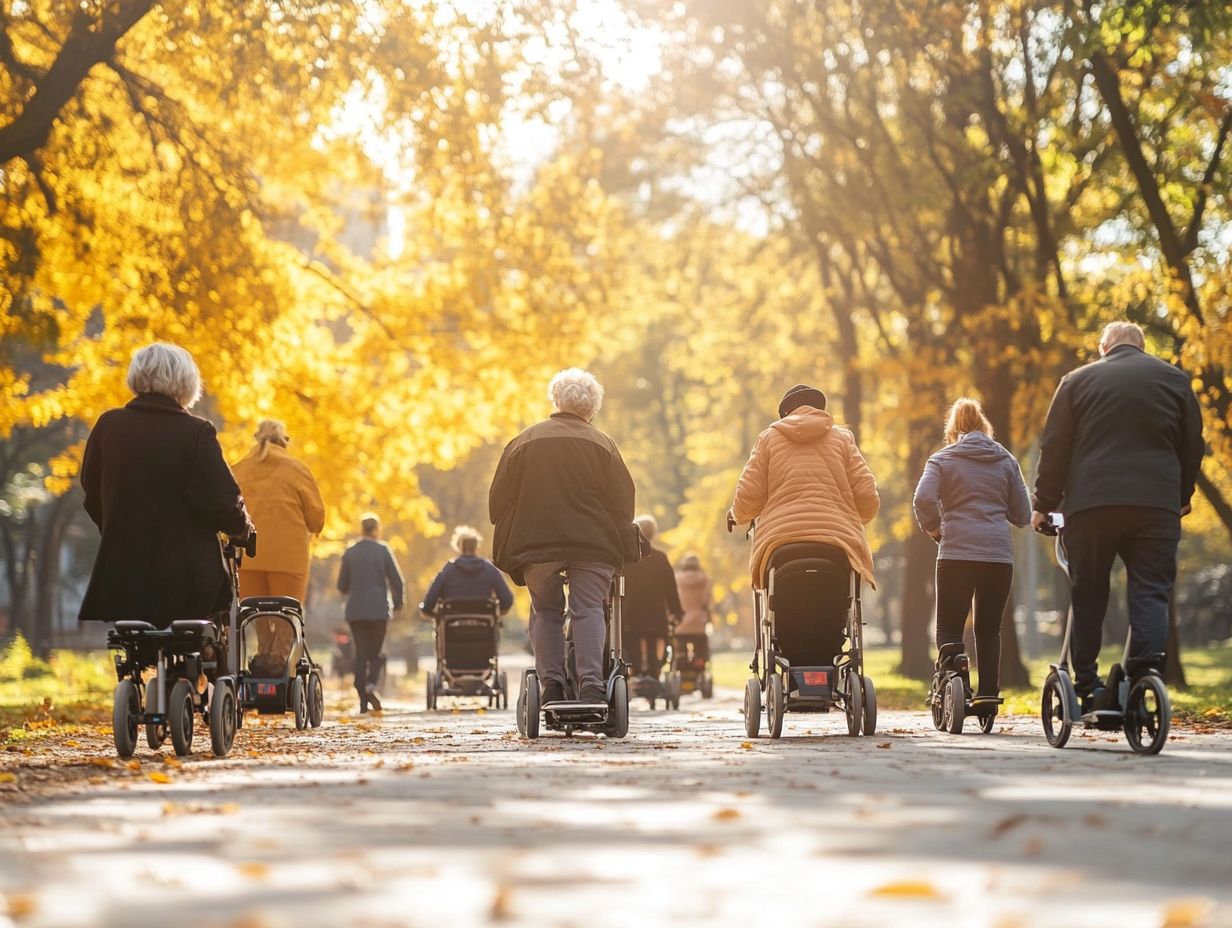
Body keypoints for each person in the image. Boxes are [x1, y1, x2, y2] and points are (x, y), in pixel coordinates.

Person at [1032, 321, 1204, 708]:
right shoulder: (1175, 380)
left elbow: (1055, 446)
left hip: (1092, 504)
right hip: (1155, 504)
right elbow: (1192, 443)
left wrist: (1044, 504)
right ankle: (1144, 671)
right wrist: (1181, 496)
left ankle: (1088, 683)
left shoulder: (1077, 381)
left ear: (1103, 347)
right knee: (1151, 589)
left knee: (1088, 588)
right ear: (1142, 347)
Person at [79, 343, 252, 633]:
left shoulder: (108, 426)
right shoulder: (196, 432)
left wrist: (117, 526)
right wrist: (242, 528)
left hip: (124, 574)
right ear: (187, 381)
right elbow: (224, 503)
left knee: (134, 646)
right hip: (186, 580)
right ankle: (205, 667)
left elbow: (92, 494)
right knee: (209, 626)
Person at [489, 368, 635, 707]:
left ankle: (551, 685)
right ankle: (592, 686)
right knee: (588, 610)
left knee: (546, 611)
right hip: (593, 544)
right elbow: (624, 505)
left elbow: (497, 503)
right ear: (592, 407)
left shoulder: (524, 441)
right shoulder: (603, 444)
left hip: (536, 544)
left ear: (556, 400)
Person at [912, 397, 1031, 699]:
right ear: (983, 425)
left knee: (949, 628)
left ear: (953, 429)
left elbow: (923, 498)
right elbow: (1022, 515)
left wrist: (935, 528)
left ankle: (955, 683)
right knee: (989, 630)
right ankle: (989, 693)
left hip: (956, 553)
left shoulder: (942, 459)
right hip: (997, 556)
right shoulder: (1006, 461)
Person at [730, 383, 880, 592]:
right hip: (837, 537)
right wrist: (850, 517)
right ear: (820, 410)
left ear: (785, 414)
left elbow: (749, 495)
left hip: (780, 537)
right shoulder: (843, 439)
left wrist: (737, 516)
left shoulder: (768, 439)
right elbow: (867, 496)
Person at [231, 419, 326, 661]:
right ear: (284, 441)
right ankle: (279, 668)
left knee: (258, 618)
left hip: (248, 560)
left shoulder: (238, 469)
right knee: (287, 617)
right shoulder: (296, 469)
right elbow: (316, 519)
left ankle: (263, 662)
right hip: (288, 561)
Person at [337, 513, 405, 713]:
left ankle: (362, 698)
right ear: (376, 529)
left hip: (356, 610)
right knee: (377, 652)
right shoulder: (383, 550)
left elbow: (342, 585)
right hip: (378, 609)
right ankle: (372, 685)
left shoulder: (349, 552)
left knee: (361, 653)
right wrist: (399, 604)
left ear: (362, 529)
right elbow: (397, 581)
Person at [621, 515, 683, 677]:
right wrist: (676, 611)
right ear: (653, 534)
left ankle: (638, 671)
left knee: (633, 643)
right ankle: (654, 670)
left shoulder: (627, 559)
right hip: (655, 613)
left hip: (631, 613)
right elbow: (670, 588)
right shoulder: (661, 559)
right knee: (656, 640)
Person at [421, 525, 514, 615]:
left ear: (460, 547)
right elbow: (507, 600)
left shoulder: (448, 570)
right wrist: (498, 612)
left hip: (452, 626)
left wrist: (432, 613)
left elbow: (428, 604)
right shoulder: (490, 570)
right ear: (476, 546)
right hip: (484, 626)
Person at [674, 554, 713, 670]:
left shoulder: (677, 579)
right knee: (701, 647)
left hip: (681, 622)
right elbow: (706, 601)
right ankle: (699, 663)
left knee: (680, 649)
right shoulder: (705, 579)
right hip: (699, 622)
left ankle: (681, 665)